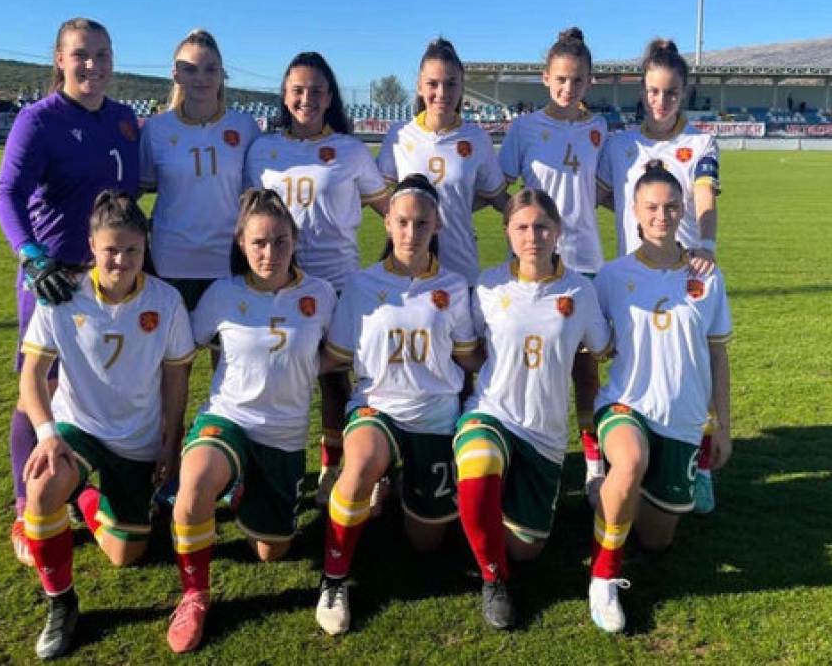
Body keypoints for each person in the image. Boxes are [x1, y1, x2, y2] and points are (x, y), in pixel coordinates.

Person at [19, 191, 194, 659]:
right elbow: (31, 377)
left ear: (145, 246)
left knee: (125, 555)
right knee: (43, 485)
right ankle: (61, 604)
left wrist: (170, 444)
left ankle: (86, 498)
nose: (121, 260)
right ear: (92, 245)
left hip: (137, 440)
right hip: (78, 428)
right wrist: (47, 434)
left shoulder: (166, 301)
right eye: (111, 250)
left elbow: (176, 380)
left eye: (132, 250)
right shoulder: (62, 296)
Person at [0, 17, 141, 566]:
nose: (92, 65)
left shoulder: (125, 120)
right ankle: (24, 507)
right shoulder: (39, 119)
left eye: (102, 54)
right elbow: (7, 194)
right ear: (60, 59)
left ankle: (82, 486)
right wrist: (31, 257)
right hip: (53, 278)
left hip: (111, 280)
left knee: (104, 384)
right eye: (81, 54)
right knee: (41, 386)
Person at [165, 188, 335, 652]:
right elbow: (183, 352)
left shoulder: (321, 295)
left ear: (295, 240)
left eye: (280, 241)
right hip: (228, 419)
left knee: (271, 552)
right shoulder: (222, 294)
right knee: (194, 487)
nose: (269, 253)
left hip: (284, 438)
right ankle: (194, 597)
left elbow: (339, 359)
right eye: (259, 242)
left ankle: (241, 489)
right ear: (241, 243)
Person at [314, 174, 481, 636]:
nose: (411, 232)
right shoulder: (360, 284)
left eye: (422, 223)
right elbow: (335, 356)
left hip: (436, 416)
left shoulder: (454, 286)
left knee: (426, 542)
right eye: (403, 221)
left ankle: (395, 483)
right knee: (360, 463)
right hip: (378, 408)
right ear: (387, 222)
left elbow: (467, 357)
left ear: (437, 224)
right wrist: (282, 359)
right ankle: (334, 580)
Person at [454, 189, 611, 629]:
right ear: (507, 231)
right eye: (521, 227)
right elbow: (470, 352)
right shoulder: (488, 286)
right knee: (479, 463)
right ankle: (493, 578)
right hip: (492, 412)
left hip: (544, 434)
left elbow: (600, 349)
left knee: (526, 549)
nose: (532, 237)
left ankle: (485, 509)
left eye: (541, 227)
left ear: (557, 231)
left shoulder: (580, 289)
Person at [587, 162, 732, 633]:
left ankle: (606, 493)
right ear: (634, 211)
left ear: (683, 211)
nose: (661, 216)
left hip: (683, 419)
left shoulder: (707, 276)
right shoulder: (612, 276)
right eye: (651, 207)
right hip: (626, 404)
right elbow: (590, 350)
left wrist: (722, 427)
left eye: (671, 207)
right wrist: (588, 429)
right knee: (630, 460)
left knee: (655, 539)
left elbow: (717, 355)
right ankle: (603, 579)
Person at [244, 51, 389, 507]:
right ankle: (262, 465)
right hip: (278, 285)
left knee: (336, 379)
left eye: (316, 91)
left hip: (337, 281)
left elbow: (389, 210)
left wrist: (399, 263)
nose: (306, 98)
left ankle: (332, 465)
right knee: (272, 375)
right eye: (297, 90)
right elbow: (249, 216)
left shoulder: (351, 150)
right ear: (284, 96)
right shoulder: (262, 149)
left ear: (329, 98)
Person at [597, 38, 722, 513]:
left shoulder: (700, 143)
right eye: (653, 91)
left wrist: (706, 245)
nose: (661, 101)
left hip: (685, 273)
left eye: (671, 92)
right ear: (642, 91)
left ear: (684, 92)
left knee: (693, 366)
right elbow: (602, 195)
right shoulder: (620, 145)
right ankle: (616, 457)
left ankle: (699, 465)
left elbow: (704, 198)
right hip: (633, 275)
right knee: (634, 370)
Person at [497, 27, 609, 504]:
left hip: (585, 263)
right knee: (525, 363)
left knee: (585, 369)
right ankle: (518, 451)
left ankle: (593, 463)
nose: (569, 87)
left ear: (589, 81)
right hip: (533, 264)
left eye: (578, 80)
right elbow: (500, 188)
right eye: (561, 79)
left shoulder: (599, 128)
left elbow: (607, 190)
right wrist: (519, 229)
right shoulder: (523, 129)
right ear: (545, 78)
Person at [139, 29, 261, 314]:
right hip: (171, 260)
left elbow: (255, 196)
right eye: (190, 69)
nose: (201, 78)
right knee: (174, 343)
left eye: (210, 69)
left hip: (230, 259)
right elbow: (140, 186)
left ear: (222, 74)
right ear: (176, 75)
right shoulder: (157, 129)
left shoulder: (245, 127)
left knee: (227, 342)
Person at [377, 37, 509, 289]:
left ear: (461, 87)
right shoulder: (399, 135)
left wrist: (541, 218)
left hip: (460, 265)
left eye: (451, 84)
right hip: (409, 266)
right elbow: (380, 197)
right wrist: (402, 224)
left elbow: (496, 196)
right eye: (433, 84)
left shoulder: (477, 138)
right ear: (419, 86)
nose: (442, 93)